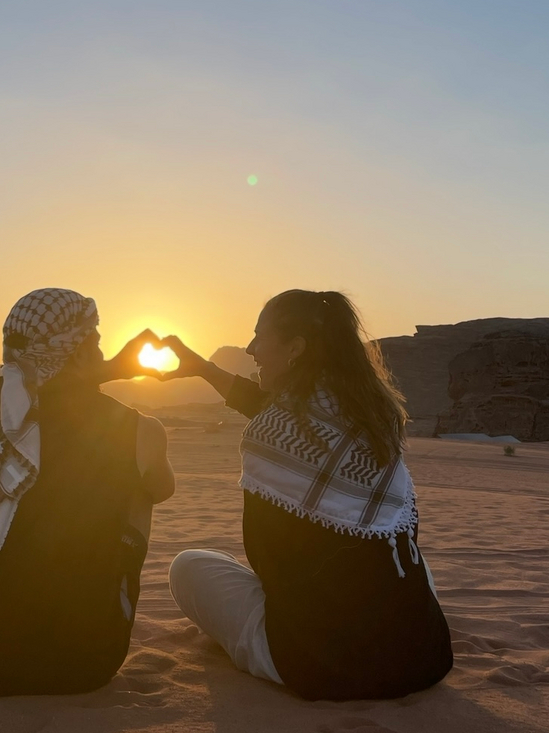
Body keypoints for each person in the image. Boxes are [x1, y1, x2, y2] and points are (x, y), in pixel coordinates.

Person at [161, 290, 453, 702]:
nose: (250, 349)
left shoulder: (272, 434)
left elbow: (264, 558)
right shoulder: (373, 422)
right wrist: (202, 368)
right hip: (423, 657)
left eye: (259, 336)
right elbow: (291, 418)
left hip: (320, 665)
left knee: (189, 567)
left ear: (295, 348)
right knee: (403, 559)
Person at [0, 288, 174, 696]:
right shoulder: (139, 429)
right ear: (80, 354)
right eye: (96, 342)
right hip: (84, 664)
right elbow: (162, 489)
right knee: (139, 489)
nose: (102, 352)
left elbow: (33, 402)